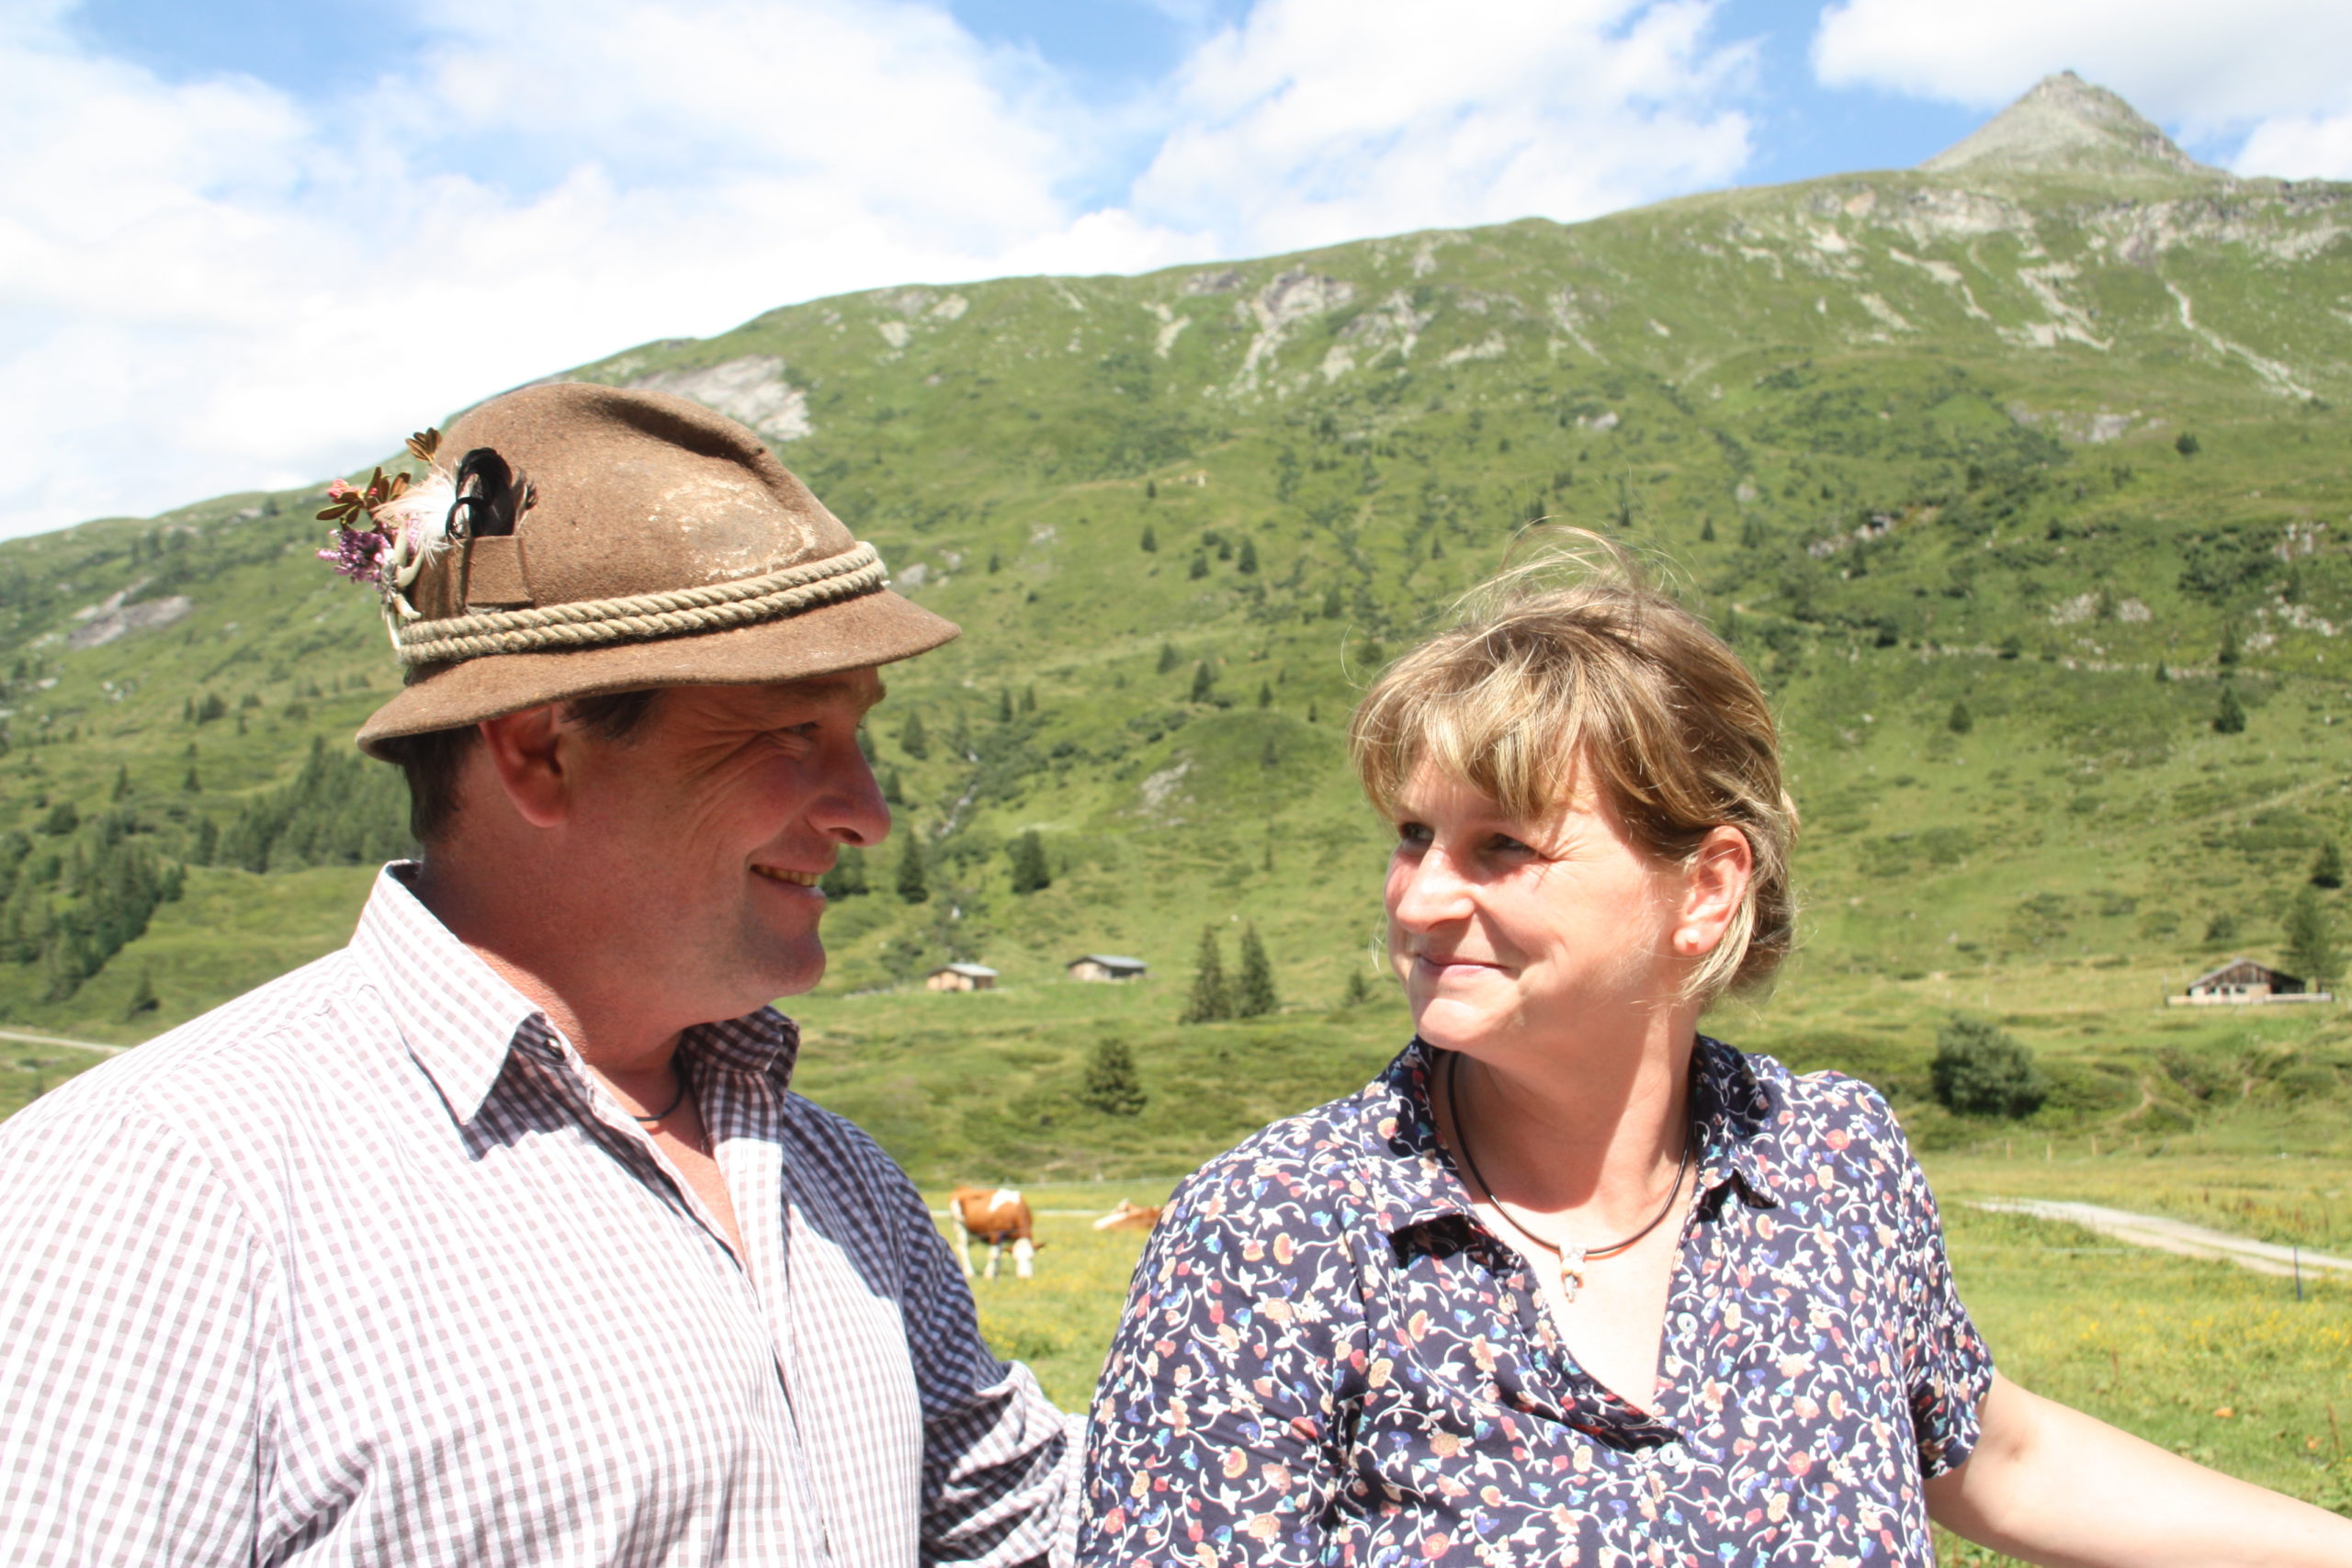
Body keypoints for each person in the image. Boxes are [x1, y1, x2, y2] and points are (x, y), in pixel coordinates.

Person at [1080, 543, 2352, 1566]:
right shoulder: (1275, 1230)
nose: (1416, 900)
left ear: (1706, 886)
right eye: (1415, 835)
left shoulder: (1833, 1161)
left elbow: (1992, 1457)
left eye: (1501, 847)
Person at [0, 384, 1076, 1565]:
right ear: (541, 748)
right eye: (790, 734)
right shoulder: (165, 1190)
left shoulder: (836, 1179)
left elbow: (1028, 1527)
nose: (867, 814)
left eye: (857, 737)